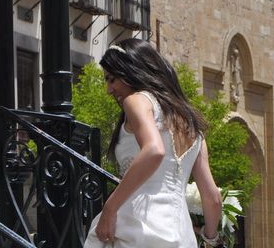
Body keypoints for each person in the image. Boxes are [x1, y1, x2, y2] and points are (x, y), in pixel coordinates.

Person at [84, 39, 222, 248]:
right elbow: (212, 197)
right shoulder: (194, 128)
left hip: (139, 225)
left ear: (132, 70)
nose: (109, 90)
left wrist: (110, 208)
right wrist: (210, 240)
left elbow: (154, 150)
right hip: (182, 236)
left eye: (112, 79)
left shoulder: (138, 100)